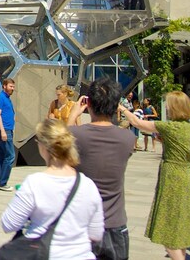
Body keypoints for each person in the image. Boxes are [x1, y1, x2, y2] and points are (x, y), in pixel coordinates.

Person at [0, 119, 104, 259]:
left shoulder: (34, 183)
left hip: (44, 253)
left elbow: (8, 224)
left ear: (44, 146)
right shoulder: (88, 185)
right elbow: (96, 233)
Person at [120, 91, 190, 260]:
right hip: (187, 176)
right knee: (180, 230)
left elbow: (136, 122)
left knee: (168, 232)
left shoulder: (170, 127)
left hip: (172, 177)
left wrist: (121, 108)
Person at [68, 77, 136, 260]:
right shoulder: (127, 139)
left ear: (88, 103)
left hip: (82, 224)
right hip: (115, 223)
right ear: (116, 106)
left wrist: (73, 115)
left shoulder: (74, 135)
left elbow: (63, 143)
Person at [0, 78, 17, 191]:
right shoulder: (1, 97)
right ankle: (2, 183)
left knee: (2, 156)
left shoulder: (7, 98)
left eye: (13, 86)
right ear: (4, 86)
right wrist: (2, 131)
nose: (12, 88)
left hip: (8, 130)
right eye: (10, 86)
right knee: (10, 156)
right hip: (4, 130)